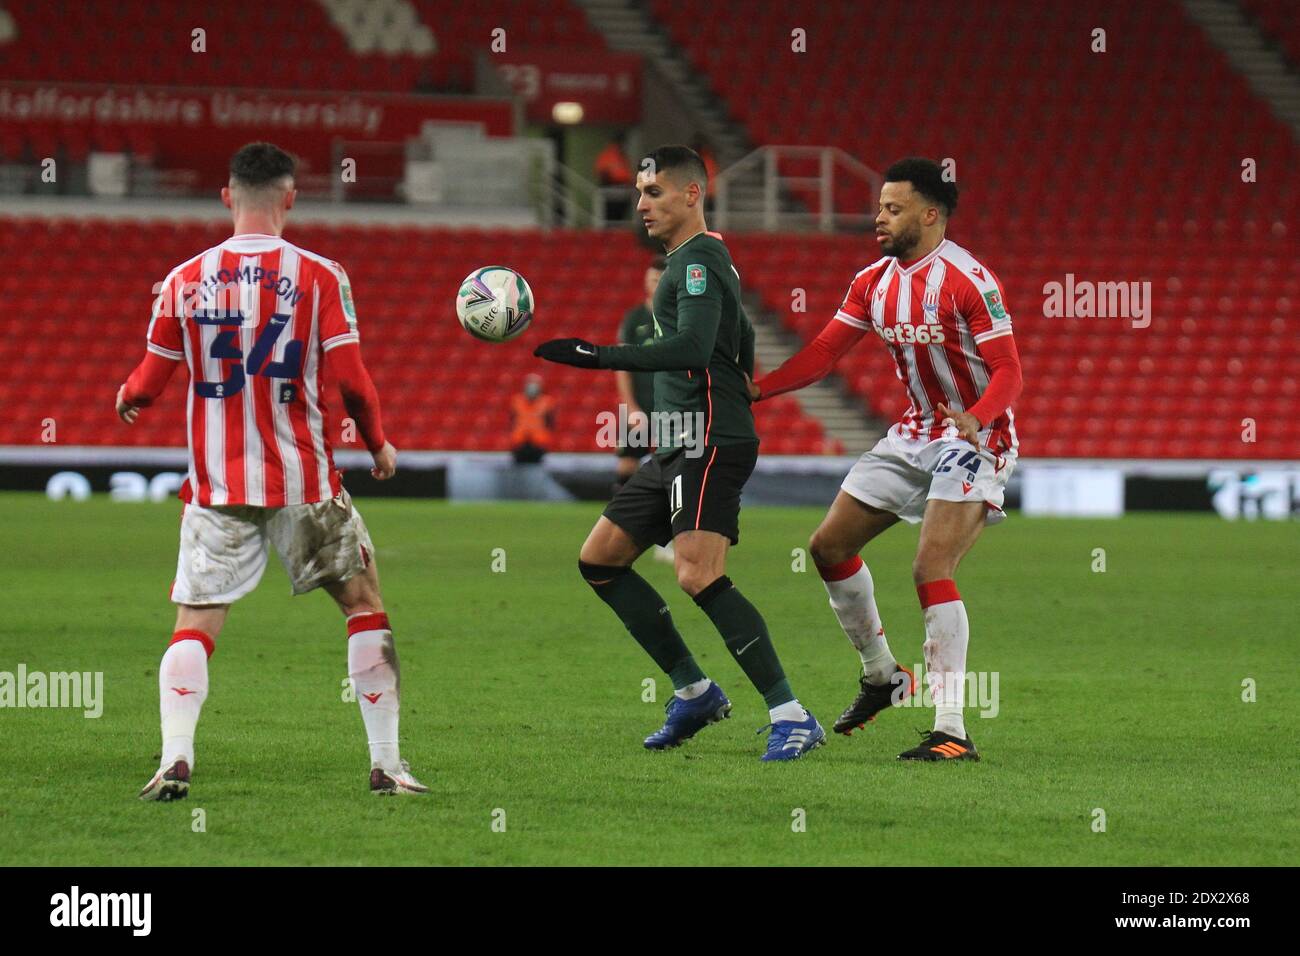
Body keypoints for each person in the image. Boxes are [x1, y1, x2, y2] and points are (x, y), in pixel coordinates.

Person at [116, 141, 428, 799]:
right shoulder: (320, 276)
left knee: (195, 623)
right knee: (364, 605)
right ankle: (388, 767)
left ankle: (175, 759)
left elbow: (148, 384)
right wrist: (378, 446)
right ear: (290, 197)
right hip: (305, 482)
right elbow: (351, 381)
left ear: (228, 196)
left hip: (216, 486)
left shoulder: (183, 279)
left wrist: (129, 399)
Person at [533, 144, 825, 762]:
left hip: (709, 438)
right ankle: (694, 691)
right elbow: (737, 336)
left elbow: (693, 346)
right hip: (679, 442)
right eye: (639, 193)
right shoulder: (699, 261)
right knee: (601, 560)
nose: (641, 204)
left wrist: (599, 356)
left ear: (692, 194)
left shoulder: (695, 262)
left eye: (654, 192)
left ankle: (792, 714)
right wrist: (740, 373)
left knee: (697, 573)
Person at [750, 157, 1024, 762]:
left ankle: (951, 728)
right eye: (879, 206)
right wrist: (759, 388)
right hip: (912, 434)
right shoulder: (872, 281)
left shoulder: (968, 280)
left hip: (978, 439)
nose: (879, 217)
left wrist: (976, 417)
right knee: (827, 547)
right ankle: (883, 676)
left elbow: (1008, 369)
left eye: (893, 209)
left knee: (930, 568)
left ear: (930, 215)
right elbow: (823, 354)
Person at [613, 255, 665, 492]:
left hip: (672, 407)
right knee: (626, 467)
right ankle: (622, 521)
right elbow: (622, 366)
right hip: (640, 405)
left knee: (678, 466)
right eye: (654, 280)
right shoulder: (635, 319)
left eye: (662, 280)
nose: (658, 285)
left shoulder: (682, 319)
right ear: (646, 283)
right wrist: (630, 406)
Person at [510, 373, 555, 464]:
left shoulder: (547, 401)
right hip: (520, 439)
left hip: (538, 440)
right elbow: (512, 419)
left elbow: (550, 421)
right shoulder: (517, 400)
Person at [594, 133, 634, 222]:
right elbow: (603, 172)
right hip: (612, 189)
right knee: (612, 217)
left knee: (618, 218)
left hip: (623, 190)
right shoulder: (610, 155)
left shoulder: (622, 156)